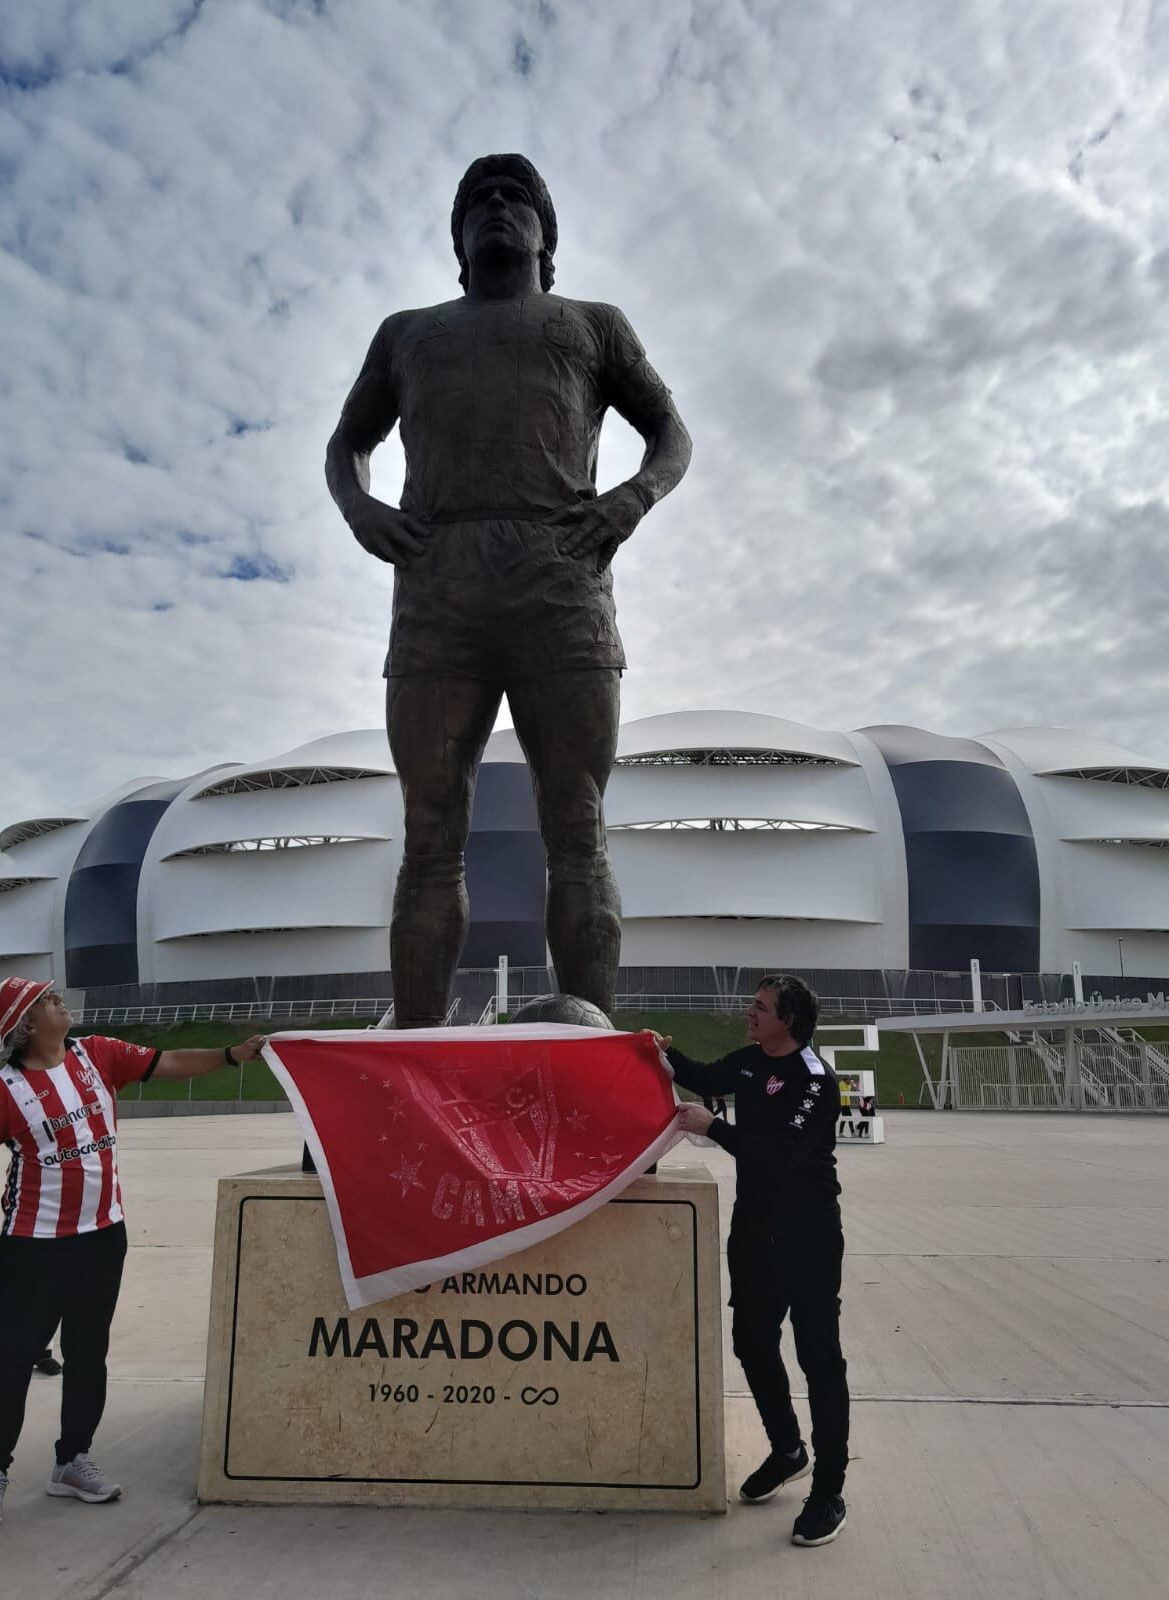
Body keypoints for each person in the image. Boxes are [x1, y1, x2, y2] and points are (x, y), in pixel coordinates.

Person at [325, 153, 692, 1024]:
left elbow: (670, 433)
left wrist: (631, 500)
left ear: (544, 233)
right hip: (436, 582)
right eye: (478, 200)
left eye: (514, 198)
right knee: (429, 834)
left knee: (577, 824)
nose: (496, 208)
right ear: (458, 236)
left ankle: (592, 1053)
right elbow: (347, 442)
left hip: (561, 577)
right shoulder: (407, 333)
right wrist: (358, 510)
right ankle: (416, 1054)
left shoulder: (593, 325)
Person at [0, 977, 265, 1532]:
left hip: (104, 1236)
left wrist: (230, 1054)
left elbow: (169, 1062)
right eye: (47, 1001)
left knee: (88, 1353)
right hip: (34, 1246)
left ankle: (71, 1460)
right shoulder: (1, 1092)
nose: (61, 1002)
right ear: (27, 1025)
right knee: (13, 1359)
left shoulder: (98, 1054)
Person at [663, 974, 850, 1547]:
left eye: (761, 1007)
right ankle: (787, 1447)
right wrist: (659, 1051)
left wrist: (715, 1128)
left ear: (787, 1021)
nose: (750, 1012)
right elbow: (702, 1076)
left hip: (809, 1234)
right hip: (754, 1231)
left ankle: (828, 1489)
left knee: (818, 1357)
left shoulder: (817, 1082)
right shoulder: (748, 1061)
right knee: (751, 1341)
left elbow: (781, 1158)